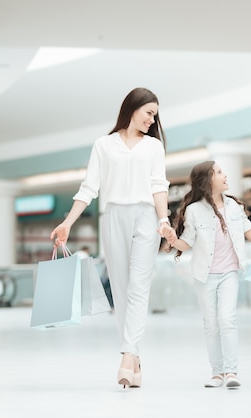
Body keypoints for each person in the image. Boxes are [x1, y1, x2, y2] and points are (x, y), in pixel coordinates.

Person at [50, 87, 171, 389]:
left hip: (146, 218)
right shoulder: (103, 145)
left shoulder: (154, 147)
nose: (152, 120)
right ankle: (135, 358)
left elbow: (159, 186)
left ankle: (127, 354)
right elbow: (89, 188)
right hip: (114, 215)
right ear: (133, 108)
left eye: (154, 116)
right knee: (120, 289)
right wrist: (67, 223)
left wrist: (164, 220)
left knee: (139, 287)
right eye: (149, 113)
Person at [165, 161, 251, 389]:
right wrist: (174, 241)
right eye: (219, 172)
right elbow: (188, 242)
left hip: (229, 274)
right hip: (204, 276)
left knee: (227, 319)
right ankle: (217, 373)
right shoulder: (195, 211)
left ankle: (232, 372)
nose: (225, 175)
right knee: (211, 324)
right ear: (207, 181)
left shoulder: (234, 206)